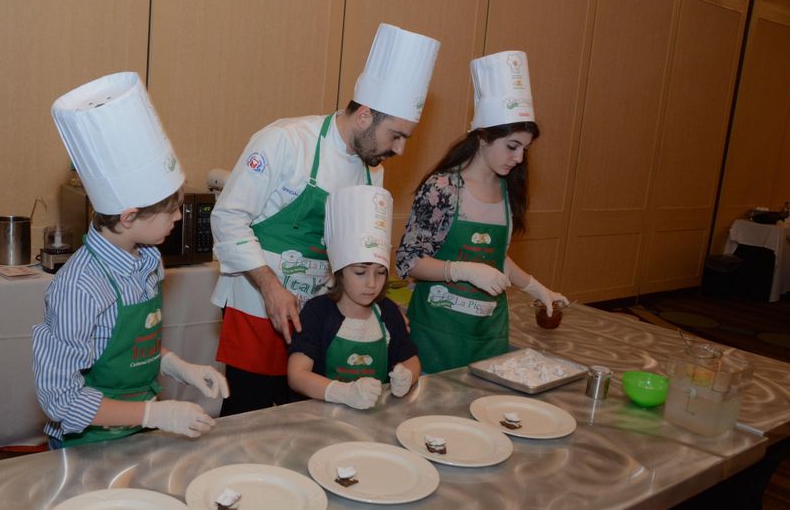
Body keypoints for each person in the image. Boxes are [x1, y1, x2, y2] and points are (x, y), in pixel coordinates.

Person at [210, 23, 440, 416]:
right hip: (257, 305)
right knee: (250, 418)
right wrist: (270, 286)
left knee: (306, 416)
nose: (400, 150)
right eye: (396, 136)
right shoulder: (286, 141)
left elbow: (359, 252)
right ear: (364, 115)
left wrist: (381, 305)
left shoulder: (371, 169)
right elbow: (228, 217)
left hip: (319, 317)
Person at [35, 72, 229, 448]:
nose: (179, 217)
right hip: (87, 445)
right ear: (129, 217)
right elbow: (62, 401)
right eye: (171, 210)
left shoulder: (149, 260)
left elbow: (128, 347)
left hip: (136, 436)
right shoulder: (79, 287)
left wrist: (178, 367)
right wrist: (154, 415)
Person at [396, 51, 568, 373]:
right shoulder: (443, 188)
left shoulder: (507, 189)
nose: (519, 159)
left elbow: (494, 256)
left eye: (525, 149)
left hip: (488, 332)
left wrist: (536, 287)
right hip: (437, 332)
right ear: (483, 136)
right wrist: (461, 270)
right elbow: (409, 261)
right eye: (512, 146)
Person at [288, 185, 420, 408]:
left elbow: (411, 360)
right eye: (360, 272)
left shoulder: (387, 312)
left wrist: (407, 375)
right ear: (339, 272)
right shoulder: (317, 312)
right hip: (322, 416)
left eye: (380, 273)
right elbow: (297, 375)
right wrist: (344, 393)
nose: (372, 284)